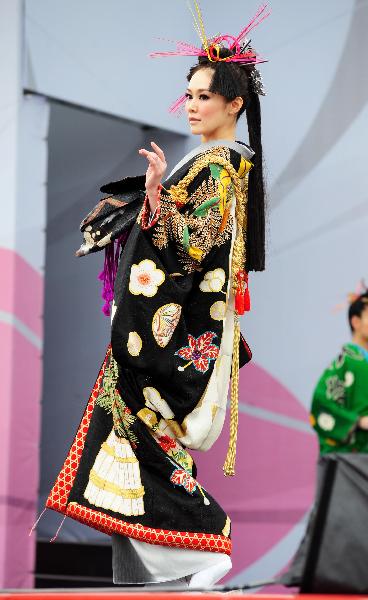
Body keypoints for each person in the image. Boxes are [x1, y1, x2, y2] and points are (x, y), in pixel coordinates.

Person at [46, 1, 270, 588]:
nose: (192, 105)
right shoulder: (214, 166)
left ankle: (203, 542)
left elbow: (192, 249)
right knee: (125, 434)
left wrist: (154, 203)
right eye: (189, 94)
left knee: (134, 430)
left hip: (172, 333)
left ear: (234, 105)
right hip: (174, 329)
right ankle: (165, 566)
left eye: (203, 95)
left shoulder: (219, 169)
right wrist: (155, 198)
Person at [311, 284, 368, 455]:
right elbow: (321, 402)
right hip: (360, 451)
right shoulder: (345, 363)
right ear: (356, 322)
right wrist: (357, 421)